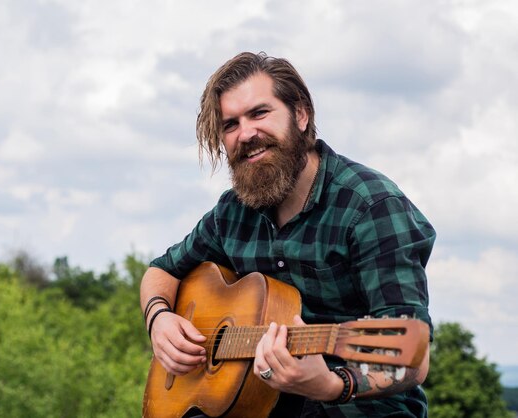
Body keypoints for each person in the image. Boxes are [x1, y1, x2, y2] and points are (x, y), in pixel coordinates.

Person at [140, 52, 435, 418]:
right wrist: (159, 319)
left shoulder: (371, 207)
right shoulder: (232, 213)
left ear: (300, 114)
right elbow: (161, 271)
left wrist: (331, 383)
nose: (246, 133)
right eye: (230, 124)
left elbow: (412, 358)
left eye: (260, 113)